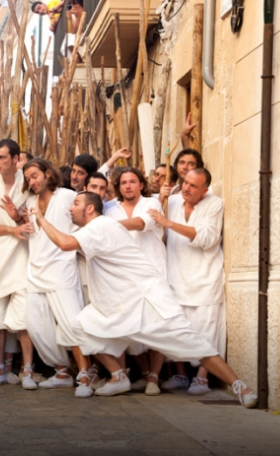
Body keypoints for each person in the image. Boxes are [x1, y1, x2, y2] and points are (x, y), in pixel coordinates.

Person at [31, 191, 257, 409]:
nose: (71, 207)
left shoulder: (100, 226)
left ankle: (242, 389)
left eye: (76, 203)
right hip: (119, 308)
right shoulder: (97, 228)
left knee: (194, 345)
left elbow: (64, 243)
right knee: (80, 325)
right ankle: (118, 377)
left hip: (148, 303)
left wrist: (41, 218)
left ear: (89, 209)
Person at [148, 168, 227, 396]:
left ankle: (202, 378)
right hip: (176, 274)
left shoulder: (214, 204)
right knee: (177, 327)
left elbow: (208, 237)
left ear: (205, 190)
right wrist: (161, 197)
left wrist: (169, 223)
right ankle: (181, 374)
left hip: (204, 276)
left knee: (207, 328)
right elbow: (150, 217)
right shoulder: (171, 201)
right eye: (185, 183)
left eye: (193, 186)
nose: (186, 188)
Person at [21, 158, 94, 398]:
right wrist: (17, 220)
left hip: (62, 269)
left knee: (71, 322)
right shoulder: (30, 201)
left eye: (34, 175)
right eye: (28, 178)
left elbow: (84, 221)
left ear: (48, 174)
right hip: (36, 270)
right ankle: (62, 371)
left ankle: (85, 374)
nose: (31, 181)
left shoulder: (65, 196)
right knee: (37, 326)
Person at [0, 139, 35, 389]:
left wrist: (17, 220)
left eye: (2, 157)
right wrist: (11, 228)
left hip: (23, 252)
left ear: (15, 159)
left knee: (23, 316)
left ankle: (27, 370)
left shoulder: (28, 182)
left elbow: (32, 218)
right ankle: (0, 368)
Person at [105, 167, 167, 396]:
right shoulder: (110, 208)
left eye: (133, 181)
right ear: (118, 186)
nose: (128, 186)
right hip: (124, 276)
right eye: (123, 182)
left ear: (142, 184)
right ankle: (143, 373)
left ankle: (154, 376)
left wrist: (108, 226)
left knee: (158, 325)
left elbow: (141, 224)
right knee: (130, 328)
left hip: (153, 272)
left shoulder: (152, 203)